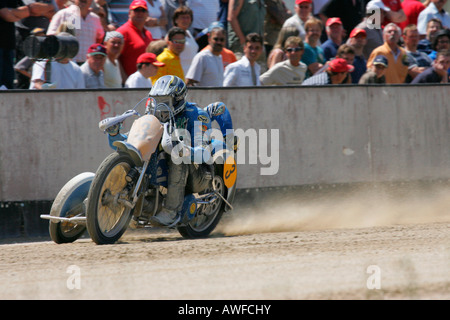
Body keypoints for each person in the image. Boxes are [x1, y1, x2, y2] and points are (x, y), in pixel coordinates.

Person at [142, 75, 233, 226]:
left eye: (165, 101)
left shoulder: (197, 115)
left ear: (178, 99)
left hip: (201, 174)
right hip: (176, 165)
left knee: (178, 156)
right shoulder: (155, 114)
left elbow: (203, 152)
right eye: (157, 101)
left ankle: (172, 211)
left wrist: (184, 150)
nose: (160, 106)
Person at [0, 0, 54, 89]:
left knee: (7, 86)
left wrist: (13, 13)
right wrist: (21, 13)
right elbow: (6, 15)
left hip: (8, 43)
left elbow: (25, 11)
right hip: (12, 41)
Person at [47, 0, 104, 65]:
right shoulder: (63, 14)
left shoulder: (95, 18)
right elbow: (50, 38)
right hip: (67, 64)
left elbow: (100, 38)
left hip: (88, 66)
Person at [117, 0, 153, 78]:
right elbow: (115, 58)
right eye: (136, 10)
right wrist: (124, 79)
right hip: (129, 84)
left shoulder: (148, 33)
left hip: (144, 82)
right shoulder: (123, 32)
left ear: (147, 14)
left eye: (143, 10)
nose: (140, 13)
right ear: (129, 13)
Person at [172, 6, 198, 76]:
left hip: (190, 74)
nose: (185, 20)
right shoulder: (173, 34)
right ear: (176, 20)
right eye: (182, 17)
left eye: (188, 17)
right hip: (179, 74)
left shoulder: (189, 33)